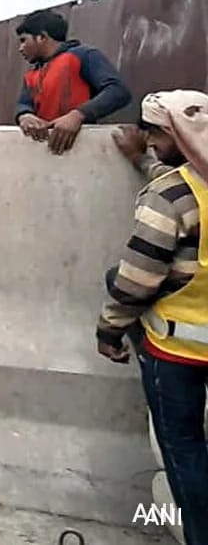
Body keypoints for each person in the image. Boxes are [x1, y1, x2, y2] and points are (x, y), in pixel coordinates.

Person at [98, 90, 208, 544]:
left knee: (183, 450)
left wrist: (109, 329)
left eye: (151, 132)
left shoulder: (168, 196)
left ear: (169, 133)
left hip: (178, 350)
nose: (146, 138)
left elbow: (136, 280)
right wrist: (143, 163)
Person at [14, 9, 132, 154]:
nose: (20, 48)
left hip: (82, 151)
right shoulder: (32, 74)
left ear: (41, 37)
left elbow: (118, 91)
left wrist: (78, 115)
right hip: (44, 153)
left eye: (23, 40)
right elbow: (24, 103)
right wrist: (24, 115)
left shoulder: (83, 55)